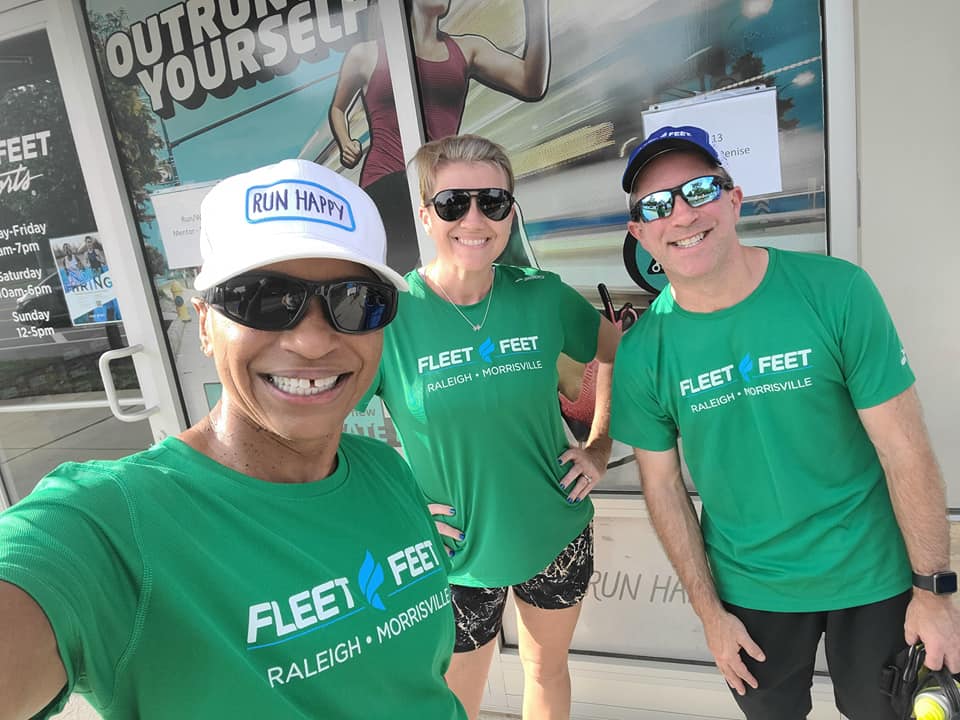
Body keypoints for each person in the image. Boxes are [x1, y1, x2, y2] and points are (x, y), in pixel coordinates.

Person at [0, 159, 467, 720]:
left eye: (354, 301)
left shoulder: (384, 470)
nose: (314, 341)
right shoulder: (114, 528)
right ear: (203, 324)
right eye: (264, 299)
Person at [609, 125, 960, 719]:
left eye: (699, 189)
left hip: (874, 575)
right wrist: (709, 615)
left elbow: (906, 449)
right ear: (641, 232)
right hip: (751, 593)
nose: (683, 214)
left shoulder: (836, 291)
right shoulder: (645, 351)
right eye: (657, 205)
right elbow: (663, 488)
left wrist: (935, 592)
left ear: (734, 198)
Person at [364, 134, 619, 719]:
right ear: (425, 214)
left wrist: (600, 443)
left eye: (494, 202)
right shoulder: (390, 316)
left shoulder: (542, 296)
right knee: (454, 704)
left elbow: (616, 351)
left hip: (553, 530)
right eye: (454, 202)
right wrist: (393, 511)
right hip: (451, 555)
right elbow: (320, 430)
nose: (475, 219)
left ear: (509, 213)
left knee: (546, 672)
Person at [328, 0, 550, 273]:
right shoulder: (366, 54)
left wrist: (536, 10)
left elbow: (531, 82)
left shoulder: (466, 49)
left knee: (497, 208)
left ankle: (524, 289)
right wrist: (345, 140)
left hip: (441, 183)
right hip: (388, 178)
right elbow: (339, 108)